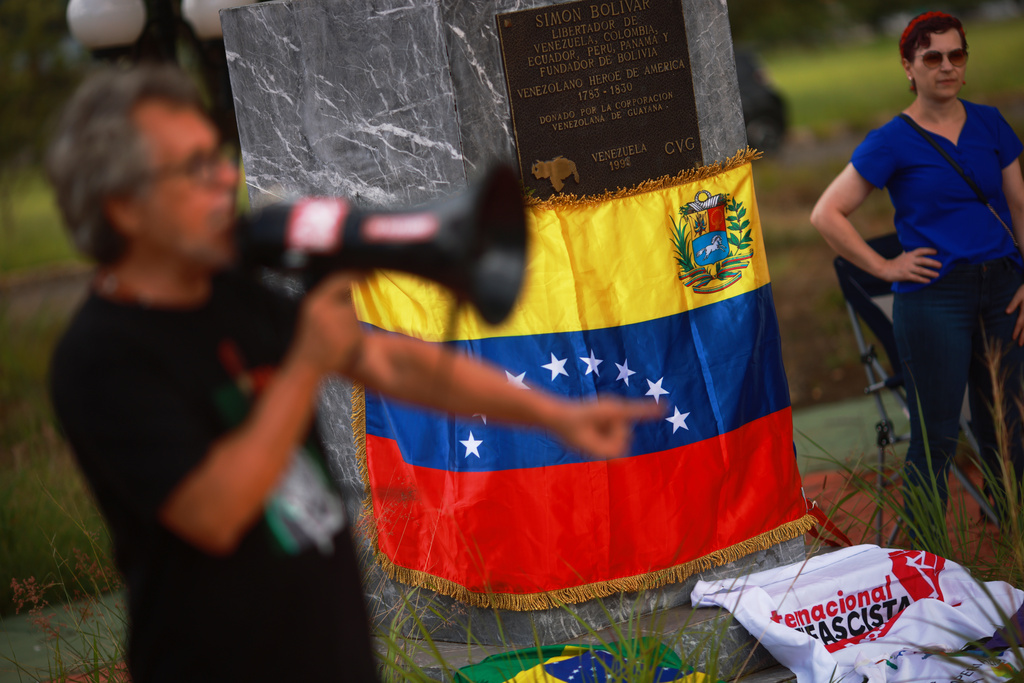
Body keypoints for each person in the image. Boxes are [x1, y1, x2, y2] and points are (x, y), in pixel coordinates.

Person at [46, 64, 663, 683]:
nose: (226, 178)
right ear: (124, 208)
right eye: (194, 167)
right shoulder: (101, 357)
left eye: (220, 155)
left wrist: (556, 414)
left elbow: (383, 359)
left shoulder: (231, 291)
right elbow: (213, 510)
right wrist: (307, 361)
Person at [810, 12, 1024, 521]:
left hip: (1003, 292)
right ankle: (930, 556)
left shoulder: (991, 123)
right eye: (932, 57)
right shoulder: (892, 140)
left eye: (956, 55)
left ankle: (1011, 539)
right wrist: (883, 267)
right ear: (909, 67)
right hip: (934, 299)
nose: (946, 66)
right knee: (938, 435)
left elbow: (1019, 204)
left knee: (1008, 425)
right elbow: (827, 213)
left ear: (965, 64)